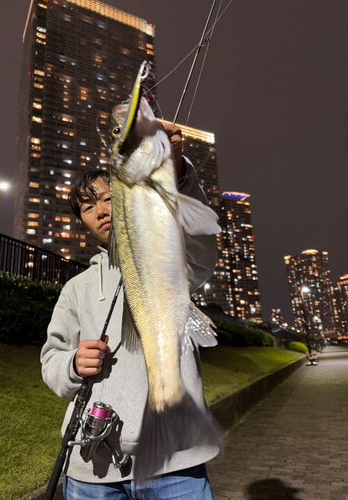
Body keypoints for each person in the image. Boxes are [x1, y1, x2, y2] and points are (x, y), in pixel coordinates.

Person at [41, 123, 220, 500]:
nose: (101, 211)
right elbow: (51, 361)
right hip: (93, 468)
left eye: (107, 198)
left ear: (126, 194)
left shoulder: (166, 245)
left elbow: (203, 254)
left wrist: (180, 175)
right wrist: (73, 363)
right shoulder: (76, 289)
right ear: (83, 222)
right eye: (88, 207)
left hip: (175, 462)